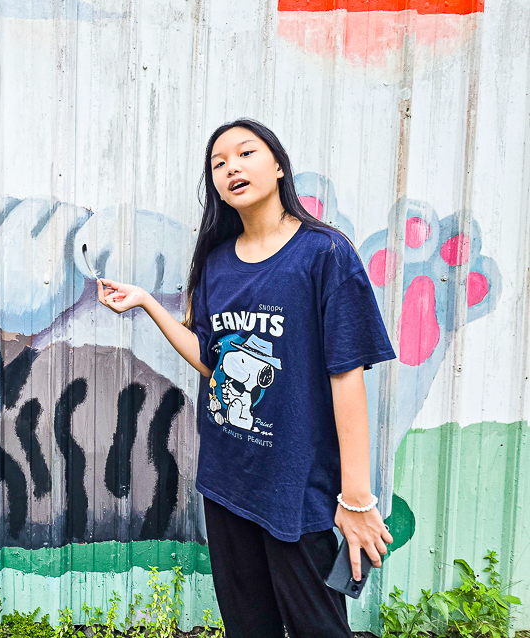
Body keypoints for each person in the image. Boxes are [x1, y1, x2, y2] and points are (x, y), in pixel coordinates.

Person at [97, 118, 396, 638]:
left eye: (245, 153)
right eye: (219, 163)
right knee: (247, 627)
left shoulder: (325, 254)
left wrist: (355, 499)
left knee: (319, 629)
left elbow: (347, 377)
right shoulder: (217, 264)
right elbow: (211, 359)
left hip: (296, 488)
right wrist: (147, 302)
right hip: (228, 479)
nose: (231, 167)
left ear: (278, 165)